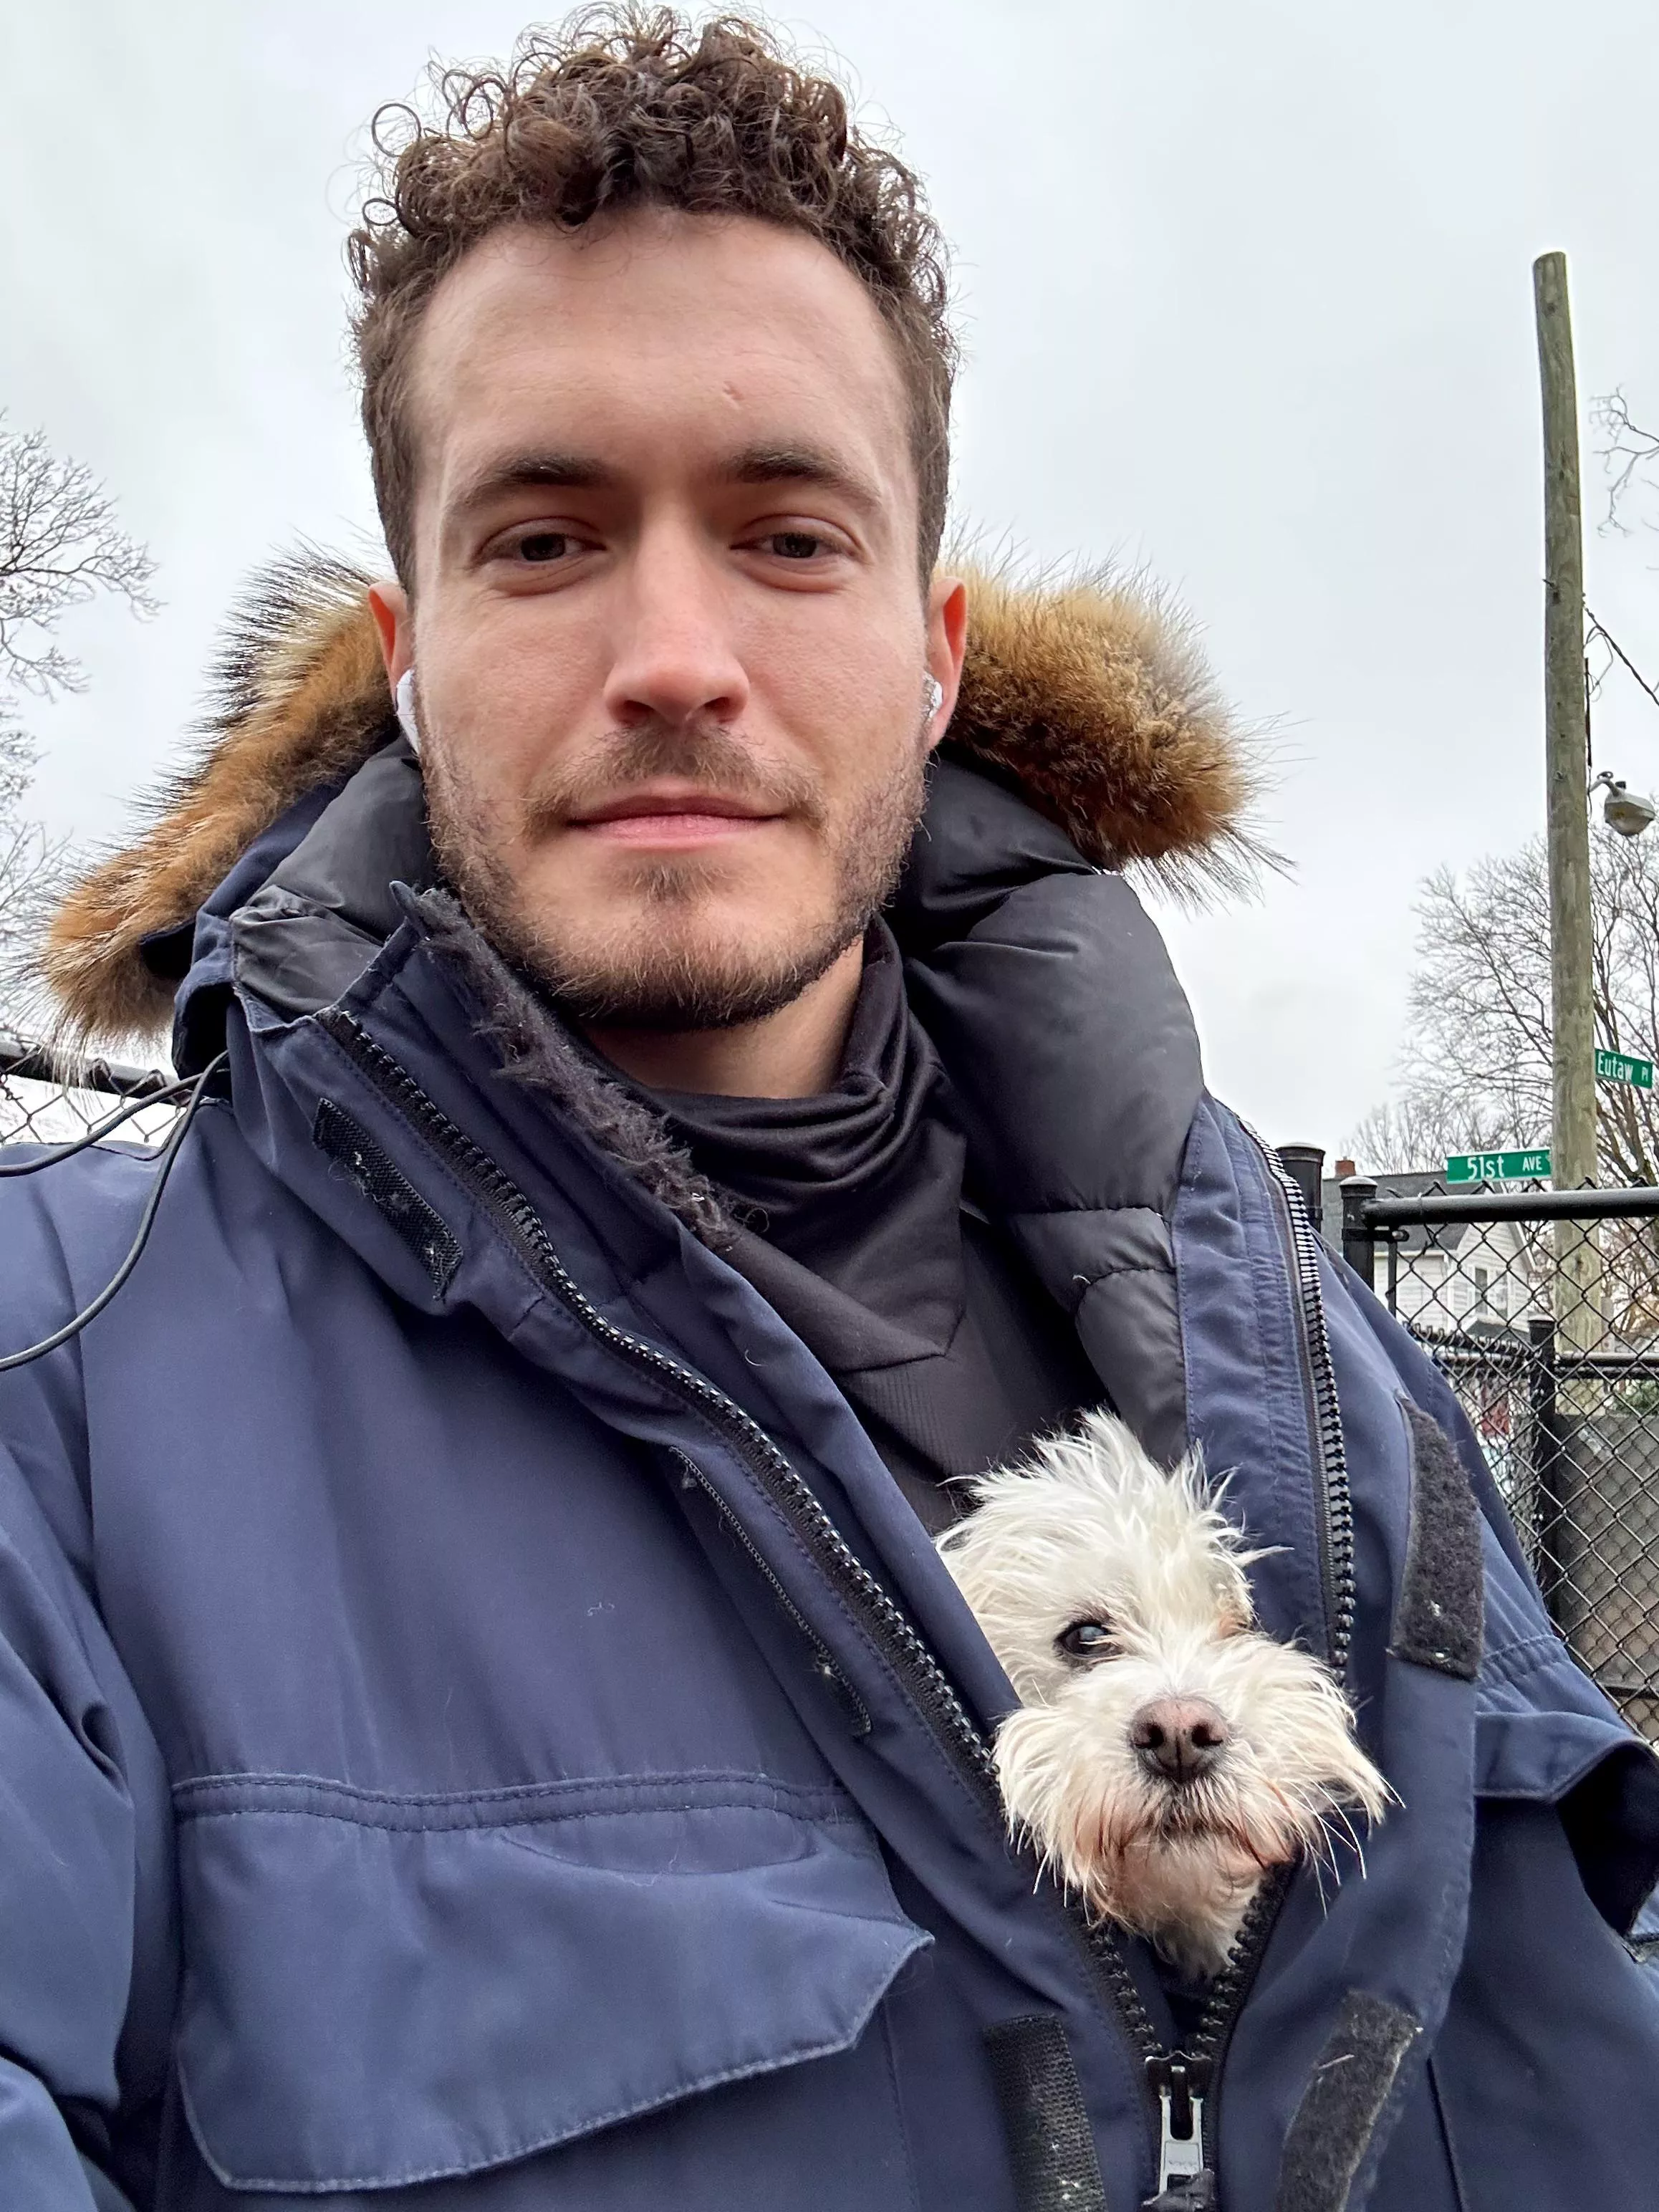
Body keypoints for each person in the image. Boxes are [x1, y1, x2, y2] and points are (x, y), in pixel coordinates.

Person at [4, 14, 1657, 2209]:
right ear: (401, 650)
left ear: (939, 648)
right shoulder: (60, 1379)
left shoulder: (1311, 1359)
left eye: (787, 536)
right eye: (545, 538)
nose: (676, 650)